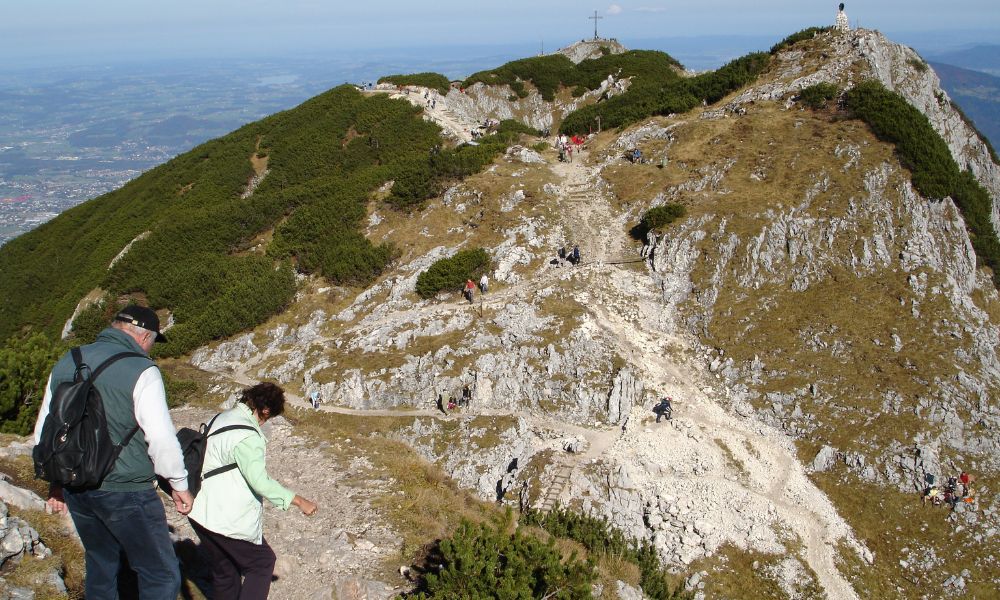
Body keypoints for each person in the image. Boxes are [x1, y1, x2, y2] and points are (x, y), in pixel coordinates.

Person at [33, 305, 191, 600]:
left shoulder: (69, 359)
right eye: (153, 342)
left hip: (76, 487)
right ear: (145, 337)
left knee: (101, 565)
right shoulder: (142, 370)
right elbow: (161, 439)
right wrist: (180, 484)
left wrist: (56, 482)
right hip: (126, 490)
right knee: (160, 574)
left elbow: (46, 429)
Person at [189, 382, 318, 600]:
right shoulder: (248, 436)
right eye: (268, 417)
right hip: (223, 516)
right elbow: (260, 481)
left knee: (226, 573)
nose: (265, 422)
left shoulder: (219, 418)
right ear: (265, 410)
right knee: (261, 562)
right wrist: (298, 501)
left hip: (199, 510)